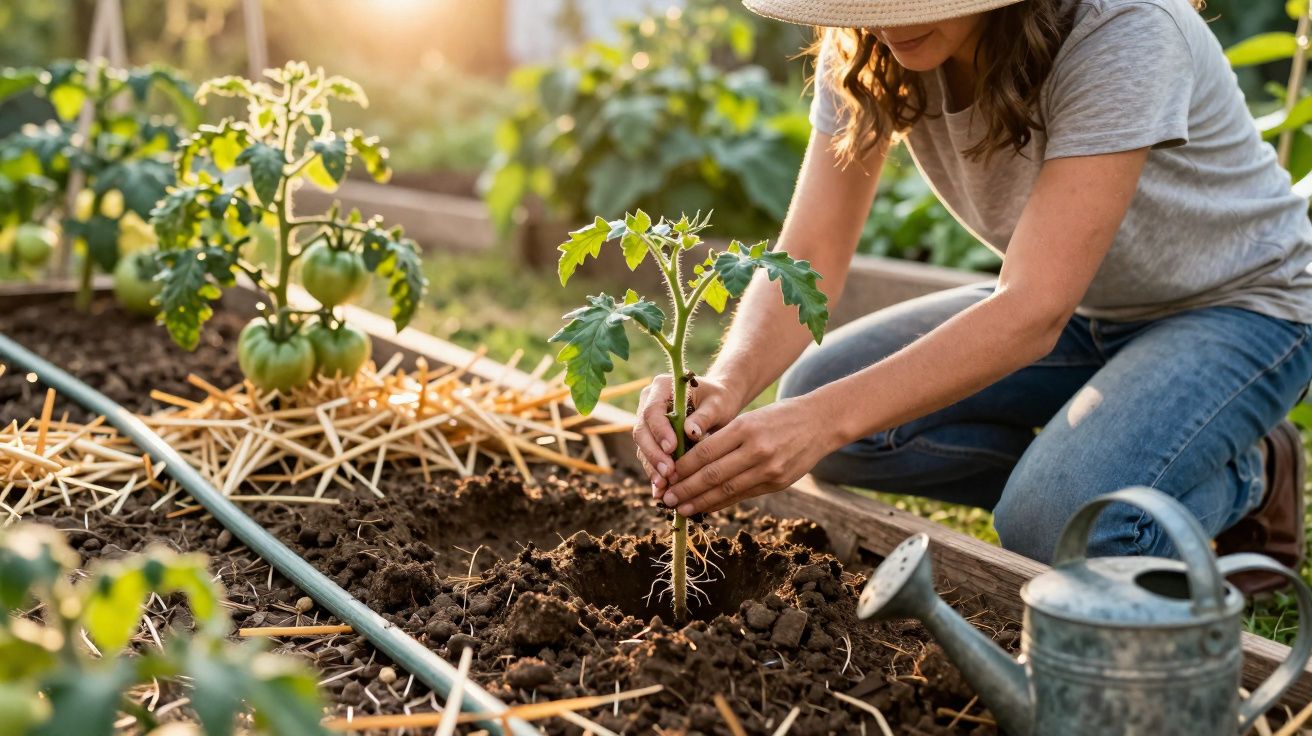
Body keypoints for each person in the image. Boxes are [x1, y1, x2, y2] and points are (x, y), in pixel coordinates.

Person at [631, 0, 1312, 592]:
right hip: (1086, 305)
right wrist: (724, 385)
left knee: (1053, 529)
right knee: (827, 403)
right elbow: (809, 254)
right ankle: (1102, 468)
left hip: (1241, 304)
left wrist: (819, 420)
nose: (885, 20)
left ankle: (1251, 475)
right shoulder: (867, 42)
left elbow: (1032, 310)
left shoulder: (1121, 26)